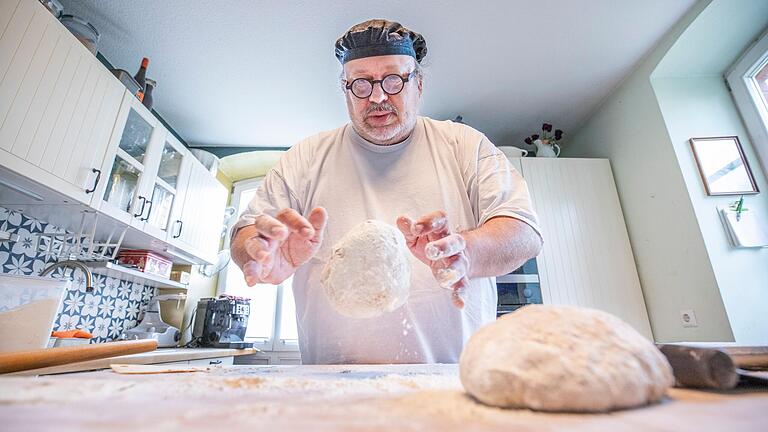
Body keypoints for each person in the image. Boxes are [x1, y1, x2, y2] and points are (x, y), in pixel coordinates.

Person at [230, 19, 543, 364]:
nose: (377, 96)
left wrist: (466, 251)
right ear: (345, 89)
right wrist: (259, 251)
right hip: (332, 385)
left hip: (453, 382)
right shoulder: (304, 158)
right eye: (361, 83)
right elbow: (245, 232)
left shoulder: (465, 145)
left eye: (394, 80)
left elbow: (523, 231)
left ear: (419, 84)